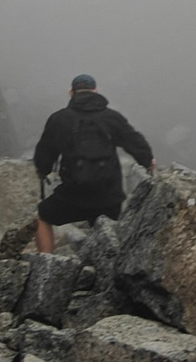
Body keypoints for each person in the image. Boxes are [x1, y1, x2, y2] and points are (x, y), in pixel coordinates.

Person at [32, 74, 153, 253]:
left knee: (42, 216)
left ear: (71, 93)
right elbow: (135, 143)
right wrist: (149, 161)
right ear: (95, 90)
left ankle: (47, 263)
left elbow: (44, 154)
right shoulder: (111, 117)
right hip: (110, 197)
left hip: (73, 196)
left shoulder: (60, 119)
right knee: (110, 237)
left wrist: (43, 171)